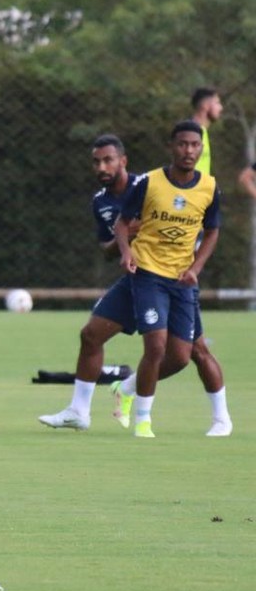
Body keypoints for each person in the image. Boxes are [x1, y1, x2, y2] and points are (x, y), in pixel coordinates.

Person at [38, 134, 231, 436]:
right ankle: (79, 412)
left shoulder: (149, 184)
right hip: (138, 277)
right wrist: (127, 237)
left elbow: (192, 224)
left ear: (123, 161)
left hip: (171, 278)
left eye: (108, 160)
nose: (102, 167)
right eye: (96, 161)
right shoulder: (100, 201)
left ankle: (136, 391)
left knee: (188, 352)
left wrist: (188, 261)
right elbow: (107, 246)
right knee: (91, 336)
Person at [113, 120, 229, 438]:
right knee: (156, 347)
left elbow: (213, 230)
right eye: (182, 144)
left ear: (201, 148)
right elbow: (122, 224)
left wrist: (196, 268)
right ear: (171, 146)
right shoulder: (149, 182)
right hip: (149, 273)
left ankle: (126, 389)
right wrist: (126, 253)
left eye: (194, 145)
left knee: (180, 357)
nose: (188, 150)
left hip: (182, 280)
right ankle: (143, 421)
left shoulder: (209, 187)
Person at [190, 87, 223, 176]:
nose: (221, 108)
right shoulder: (191, 132)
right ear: (205, 105)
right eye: (217, 103)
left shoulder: (202, 131)